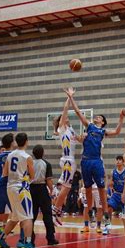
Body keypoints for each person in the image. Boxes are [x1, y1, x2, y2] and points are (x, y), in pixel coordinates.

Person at [64, 87, 125, 234]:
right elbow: (78, 112)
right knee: (87, 189)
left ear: (103, 121)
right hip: (85, 161)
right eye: (96, 116)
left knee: (101, 190)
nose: (96, 117)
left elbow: (117, 132)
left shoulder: (102, 131)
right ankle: (89, 217)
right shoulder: (89, 126)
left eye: (99, 117)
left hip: (97, 162)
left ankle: (105, 219)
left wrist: (121, 118)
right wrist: (71, 97)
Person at [0, 133, 39, 248]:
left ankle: (1, 239)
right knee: (28, 217)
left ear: (17, 142)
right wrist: (26, 178)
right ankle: (28, 244)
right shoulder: (27, 157)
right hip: (22, 189)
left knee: (14, 217)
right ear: (26, 141)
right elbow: (33, 176)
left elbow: (4, 173)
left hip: (10, 188)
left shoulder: (10, 155)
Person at [51, 96, 82, 225]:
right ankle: (53, 212)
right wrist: (69, 97)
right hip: (67, 160)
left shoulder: (71, 130)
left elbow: (79, 139)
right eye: (65, 118)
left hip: (71, 161)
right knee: (65, 188)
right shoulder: (62, 129)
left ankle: (55, 211)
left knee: (67, 188)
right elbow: (65, 110)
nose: (67, 118)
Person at [30, 144, 59, 245]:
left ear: (33, 153)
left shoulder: (29, 163)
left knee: (31, 216)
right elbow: (49, 180)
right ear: (43, 153)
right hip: (42, 190)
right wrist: (52, 191)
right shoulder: (46, 164)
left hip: (31, 190)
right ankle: (50, 238)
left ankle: (30, 240)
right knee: (47, 215)